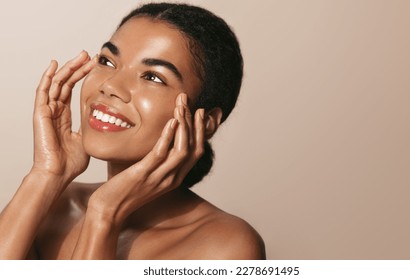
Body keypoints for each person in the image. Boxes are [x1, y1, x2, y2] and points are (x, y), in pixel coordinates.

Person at [0, 3, 265, 259]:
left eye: (152, 77)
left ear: (205, 121)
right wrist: (46, 173)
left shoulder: (225, 247)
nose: (111, 85)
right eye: (107, 61)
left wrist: (105, 213)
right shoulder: (53, 208)